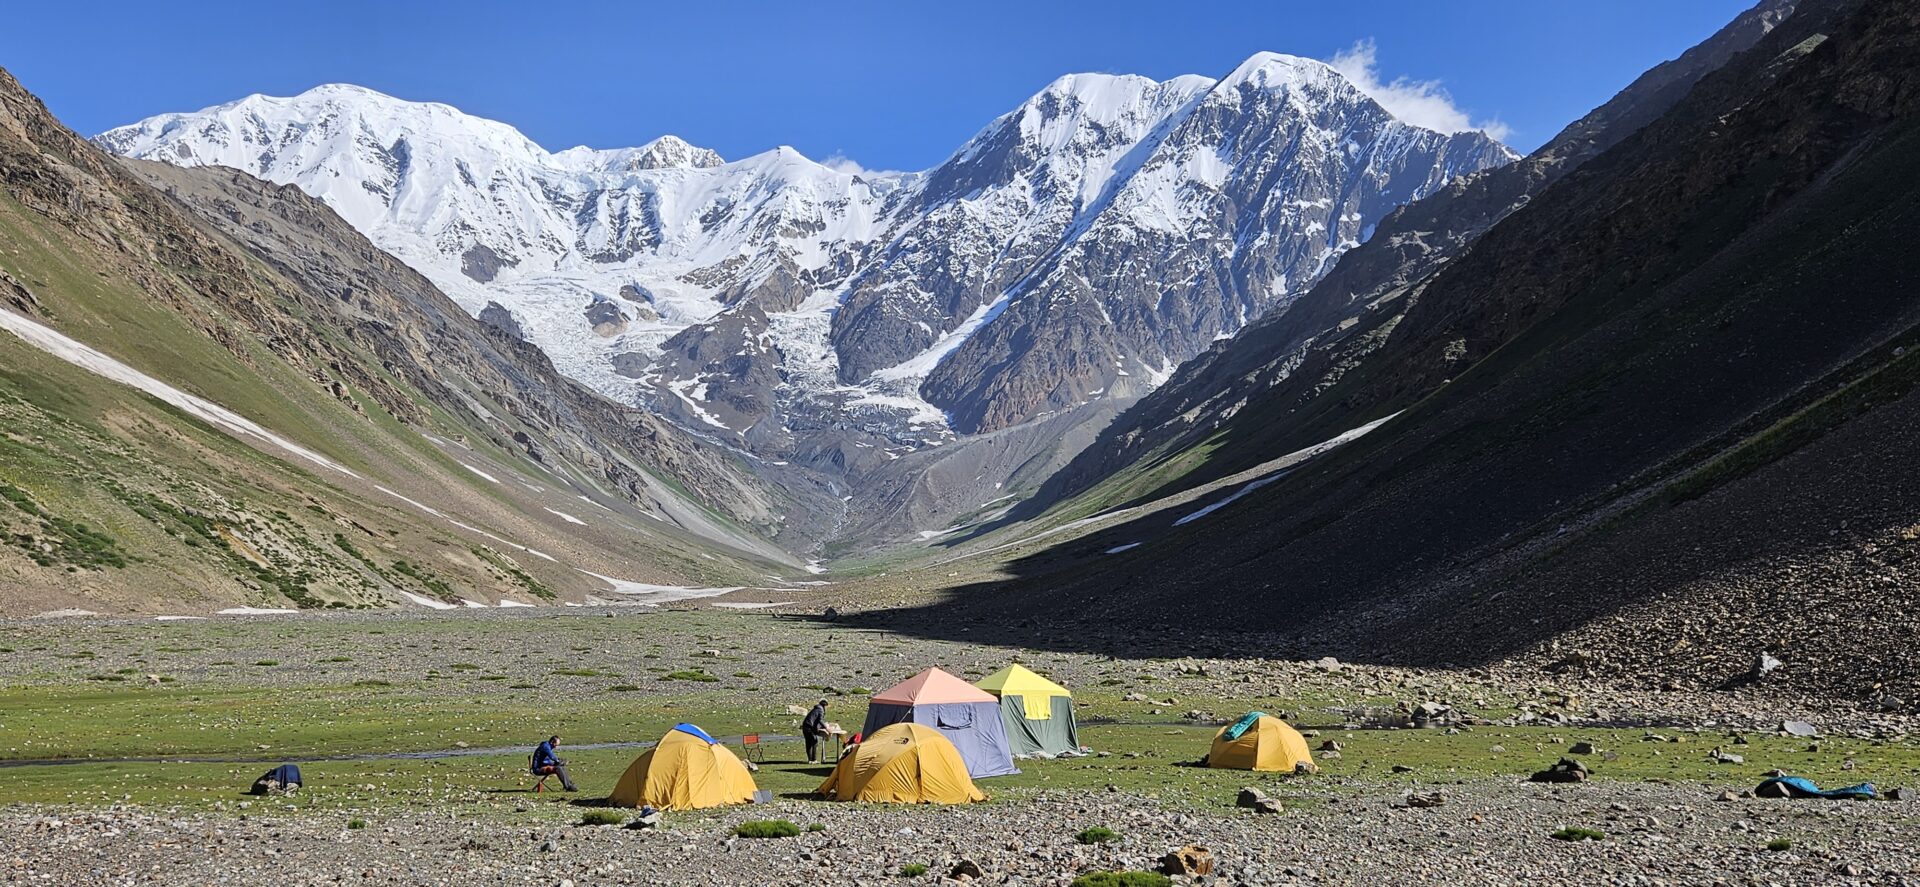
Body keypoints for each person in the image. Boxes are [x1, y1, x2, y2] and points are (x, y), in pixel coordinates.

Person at [802, 699, 829, 763]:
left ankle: (810, 760)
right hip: (809, 727)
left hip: (806, 726)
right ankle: (813, 760)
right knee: (814, 741)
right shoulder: (820, 710)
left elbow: (816, 720)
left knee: (808, 743)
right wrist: (826, 727)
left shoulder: (816, 709)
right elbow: (820, 720)